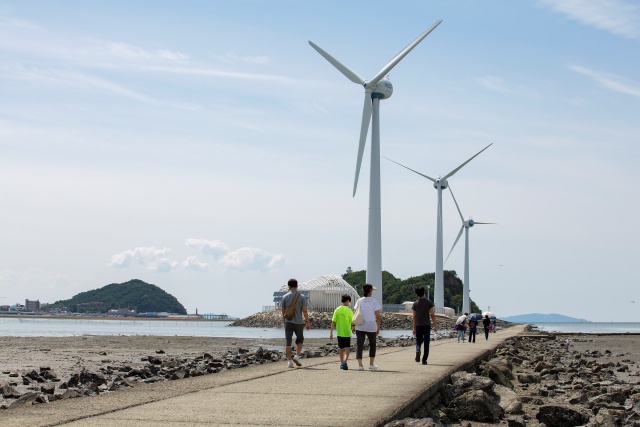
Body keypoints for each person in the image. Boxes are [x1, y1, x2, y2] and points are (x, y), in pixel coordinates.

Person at [281, 278, 310, 368]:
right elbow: (304, 311)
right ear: (297, 286)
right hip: (299, 322)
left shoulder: (285, 297)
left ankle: (289, 361)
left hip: (288, 322)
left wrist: (284, 321)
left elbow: (283, 311)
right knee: (300, 340)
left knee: (288, 342)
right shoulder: (301, 297)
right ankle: (297, 356)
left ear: (288, 286)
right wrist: (307, 322)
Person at [353, 284, 381, 371]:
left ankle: (360, 365)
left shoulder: (359, 301)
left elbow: (355, 313)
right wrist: (378, 327)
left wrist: (353, 325)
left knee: (359, 345)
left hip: (360, 326)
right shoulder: (374, 301)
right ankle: (371, 364)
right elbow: (377, 316)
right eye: (372, 290)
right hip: (371, 326)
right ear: (370, 291)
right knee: (372, 344)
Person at [412, 287, 437, 365]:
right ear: (424, 293)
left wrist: (414, 328)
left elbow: (414, 317)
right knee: (426, 342)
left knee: (418, 341)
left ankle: (418, 349)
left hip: (418, 325)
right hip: (426, 325)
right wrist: (435, 325)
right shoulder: (429, 302)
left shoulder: (415, 303)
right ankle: (424, 360)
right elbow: (432, 314)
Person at [329, 294, 354, 370]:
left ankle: (341, 362)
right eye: (349, 301)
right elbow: (352, 322)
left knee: (341, 348)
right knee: (347, 348)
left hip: (339, 332)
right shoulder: (349, 310)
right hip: (347, 332)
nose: (349, 303)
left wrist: (331, 333)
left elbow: (333, 322)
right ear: (347, 301)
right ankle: (345, 361)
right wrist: (353, 328)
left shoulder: (337, 309)